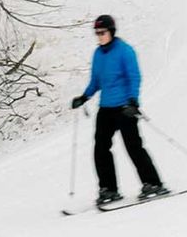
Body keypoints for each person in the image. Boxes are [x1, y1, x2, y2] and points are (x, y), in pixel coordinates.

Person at [70, 15, 168, 206]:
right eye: (96, 33)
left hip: (124, 107)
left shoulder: (125, 51)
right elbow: (96, 81)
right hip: (106, 108)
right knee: (100, 148)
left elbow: (134, 77)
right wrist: (84, 97)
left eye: (102, 32)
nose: (99, 36)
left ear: (111, 32)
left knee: (133, 146)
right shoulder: (98, 54)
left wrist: (133, 102)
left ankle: (153, 184)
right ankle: (109, 189)